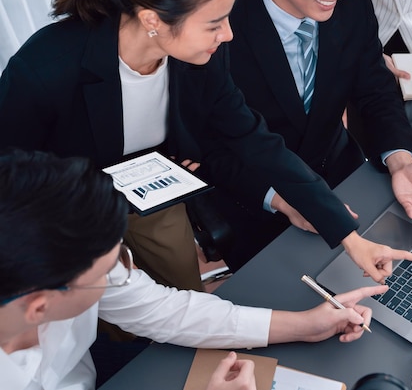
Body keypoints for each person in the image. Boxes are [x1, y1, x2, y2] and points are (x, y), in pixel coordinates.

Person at [0, 0, 412, 285]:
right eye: (214, 23)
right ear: (153, 19)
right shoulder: (44, 69)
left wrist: (346, 235)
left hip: (158, 189)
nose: (228, 34)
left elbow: (252, 137)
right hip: (64, 208)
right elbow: (11, 178)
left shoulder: (199, 54)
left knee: (176, 290)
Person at [0, 148, 388, 390]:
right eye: (106, 274)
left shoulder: (67, 269)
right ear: (39, 308)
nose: (121, 276)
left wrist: (306, 325)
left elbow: (161, 310)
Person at [218, 0, 412, 271]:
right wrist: (284, 200)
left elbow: (375, 90)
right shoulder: (222, 26)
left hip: (341, 174)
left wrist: (401, 161)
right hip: (264, 201)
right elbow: (211, 147)